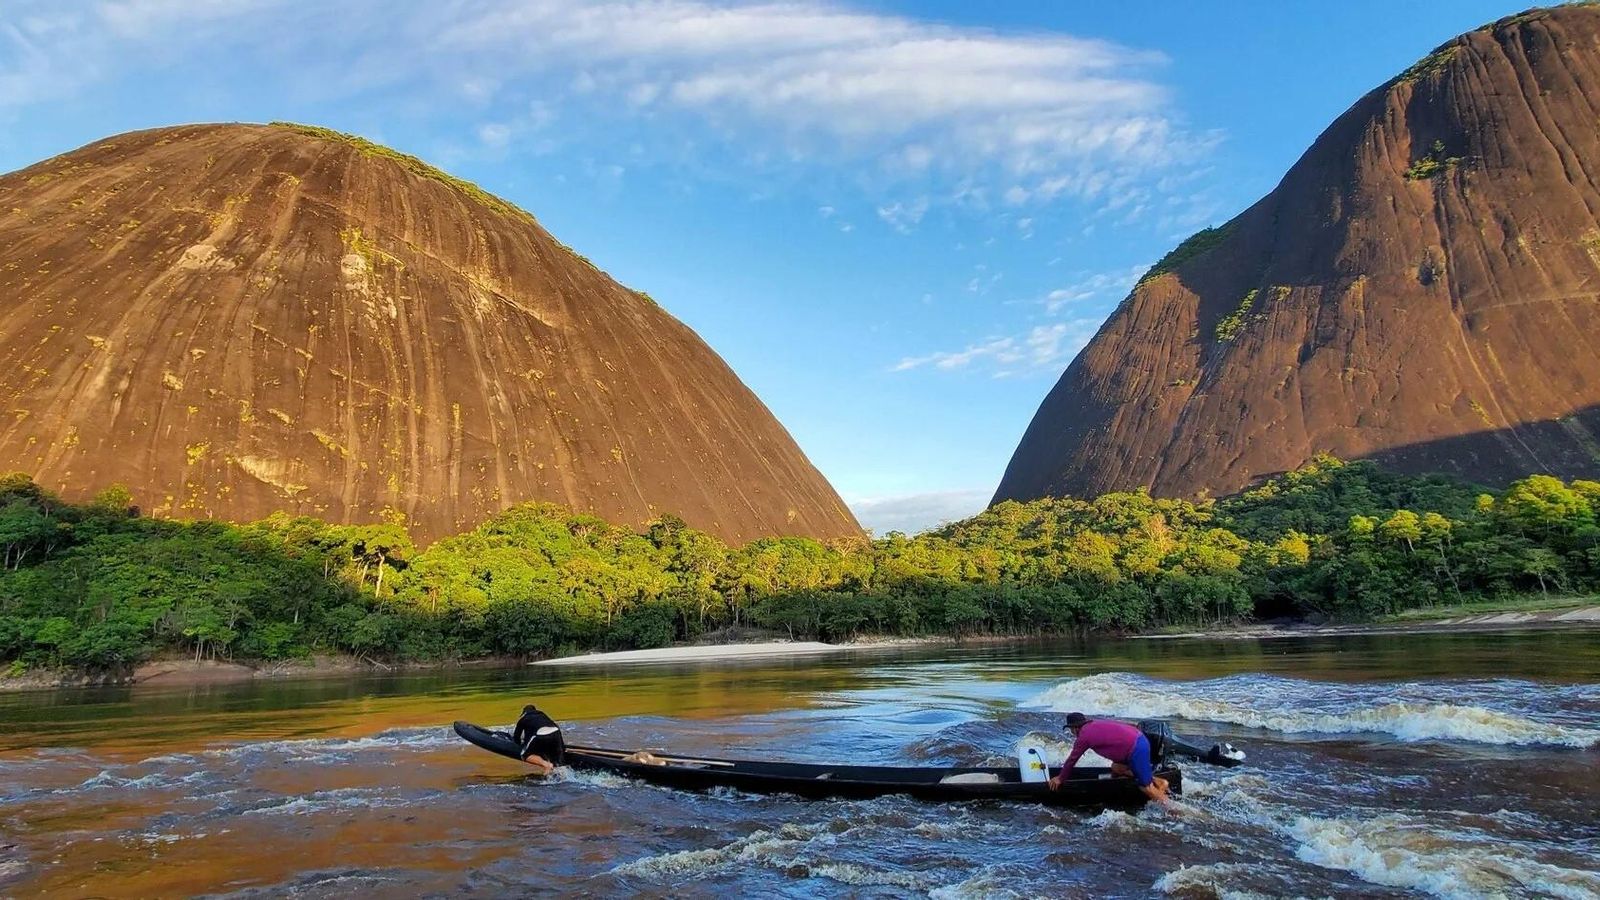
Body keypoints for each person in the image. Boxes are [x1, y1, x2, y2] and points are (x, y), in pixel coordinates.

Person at [1048, 712, 1172, 808]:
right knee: (1117, 768)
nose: (1072, 733)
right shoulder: (1095, 724)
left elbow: (1072, 760)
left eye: (1071, 730)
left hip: (1136, 749)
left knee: (1146, 787)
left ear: (1075, 728)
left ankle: (1175, 810)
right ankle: (1159, 781)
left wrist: (1060, 778)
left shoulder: (1084, 736)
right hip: (1139, 740)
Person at [513, 704, 565, 776]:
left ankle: (546, 765)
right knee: (557, 760)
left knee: (525, 755)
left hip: (541, 734)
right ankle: (562, 773)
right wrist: (562, 748)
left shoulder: (523, 719)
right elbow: (556, 727)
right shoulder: (543, 715)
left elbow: (516, 737)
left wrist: (520, 746)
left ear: (524, 713)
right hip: (556, 733)